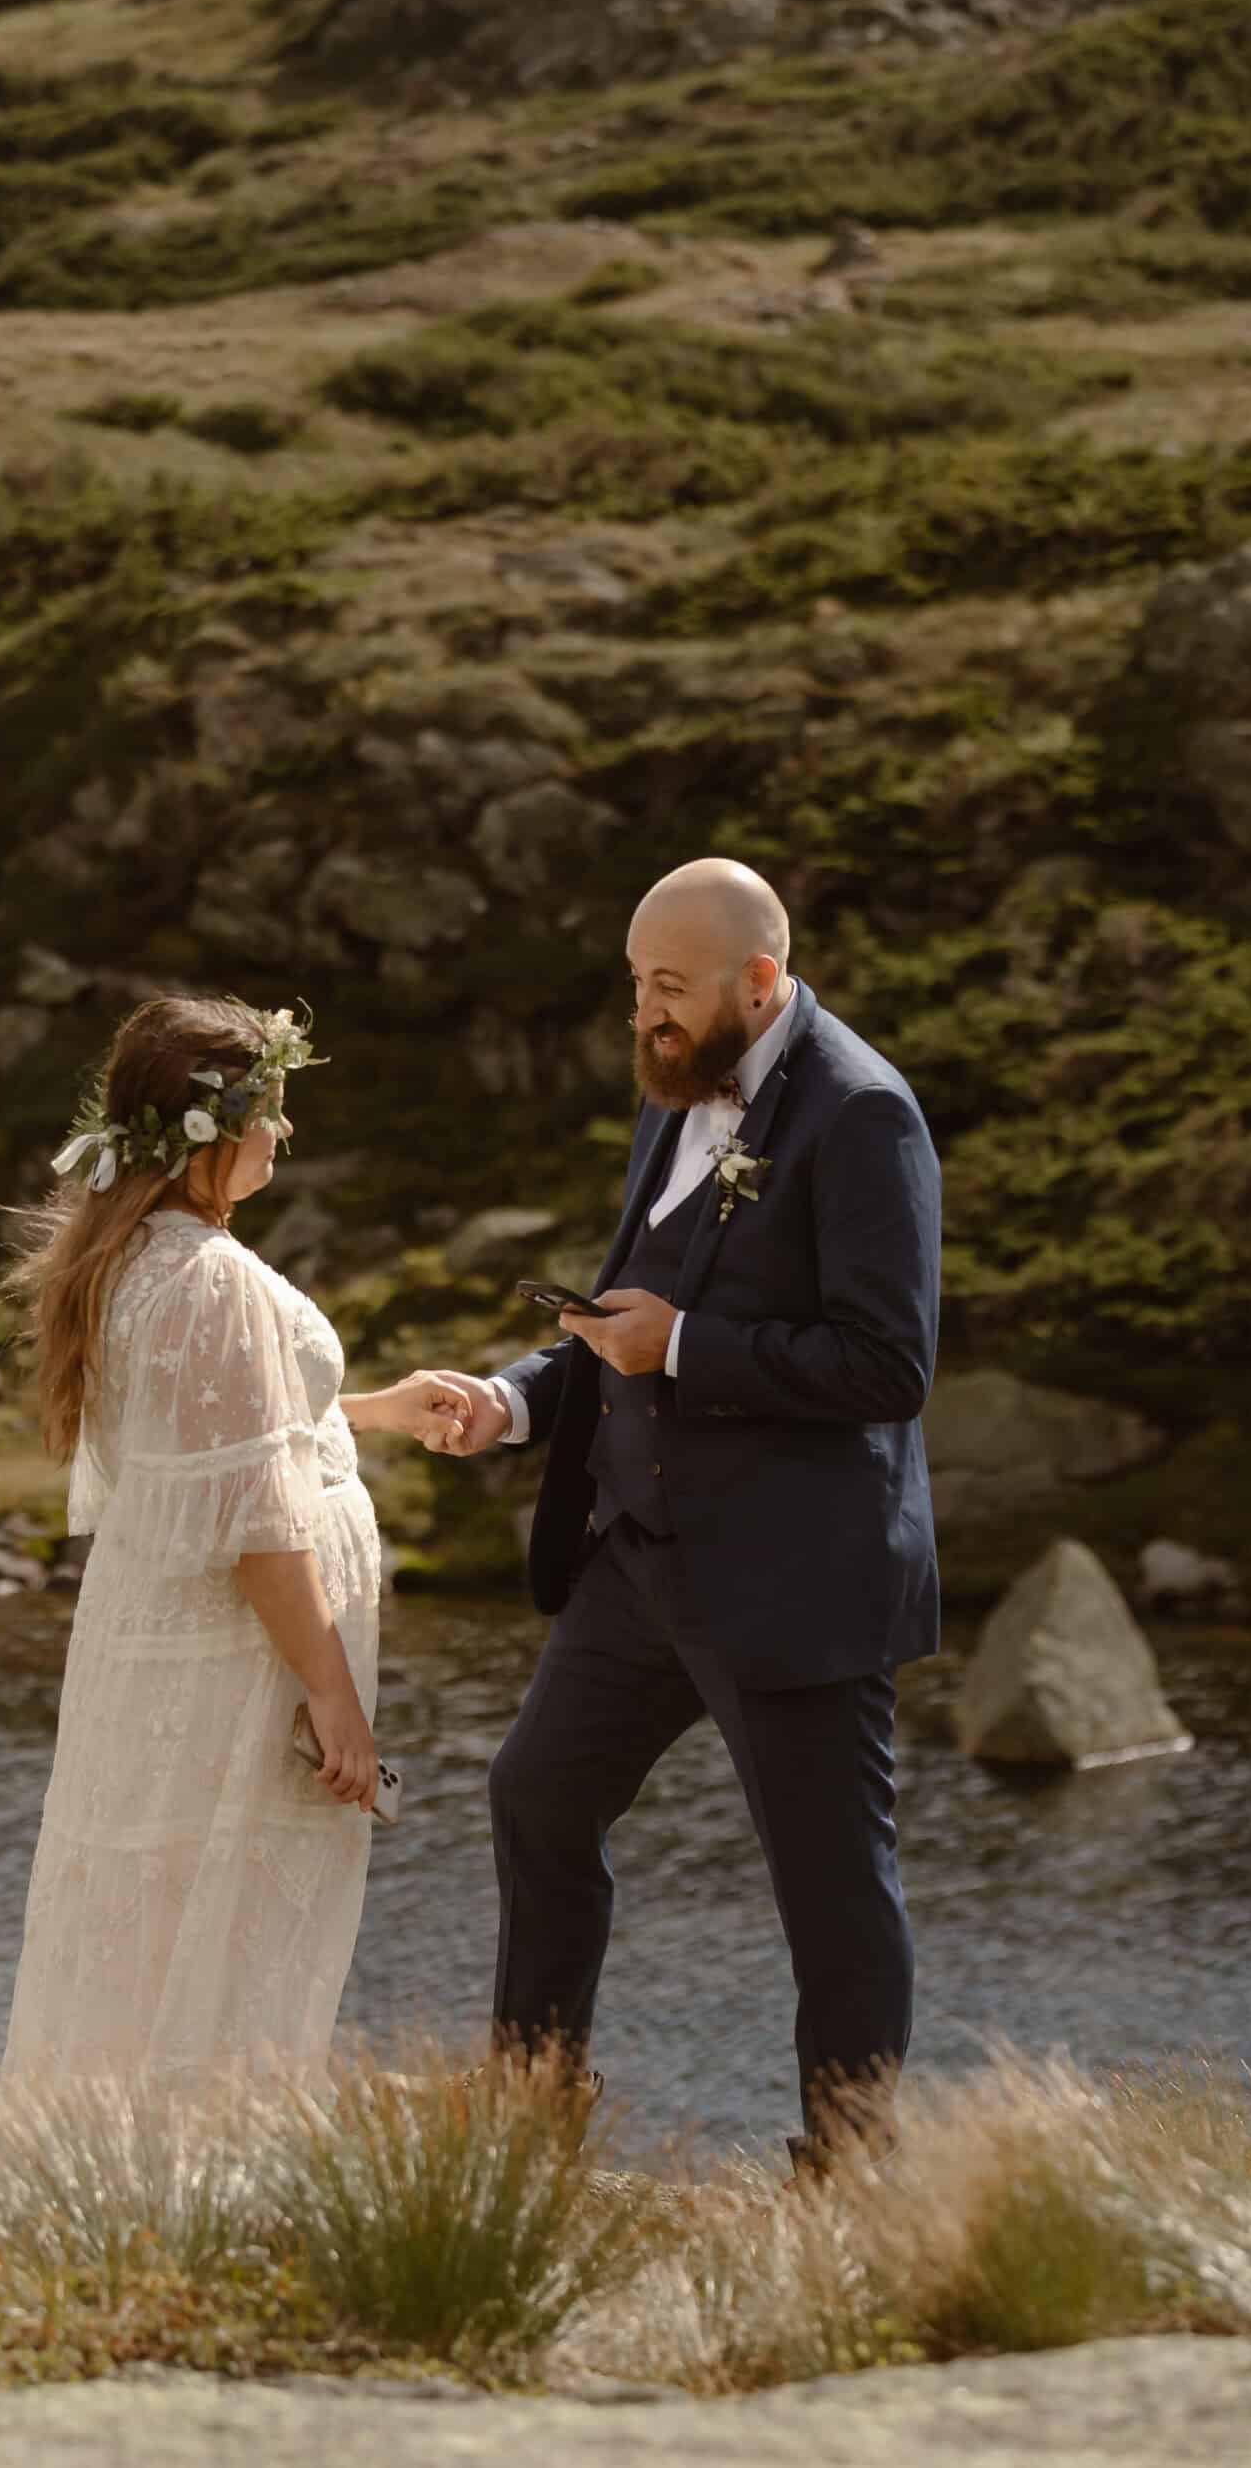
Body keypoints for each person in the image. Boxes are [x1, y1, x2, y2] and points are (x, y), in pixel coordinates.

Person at [438, 858, 944, 2164]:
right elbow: (630, 1318)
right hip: (641, 1558)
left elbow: (891, 1365)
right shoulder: (673, 1090)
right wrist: (514, 1400)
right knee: (536, 1800)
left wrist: (690, 1347)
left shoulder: (864, 1114)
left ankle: (848, 2181)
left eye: (667, 987)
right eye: (635, 986)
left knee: (832, 1899)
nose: (644, 1015)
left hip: (793, 1583)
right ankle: (531, 2136)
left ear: (758, 981)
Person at [0, 994, 484, 2083]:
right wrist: (331, 1693)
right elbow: (258, 1521)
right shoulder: (212, 1277)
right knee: (226, 1908)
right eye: (271, 1107)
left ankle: (132, 2163)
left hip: (160, 1643)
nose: (286, 1132)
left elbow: (217, 1431)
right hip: (236, 1663)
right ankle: (204, 2172)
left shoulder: (129, 1253)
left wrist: (374, 1408)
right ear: (212, 1129)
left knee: (159, 1908)